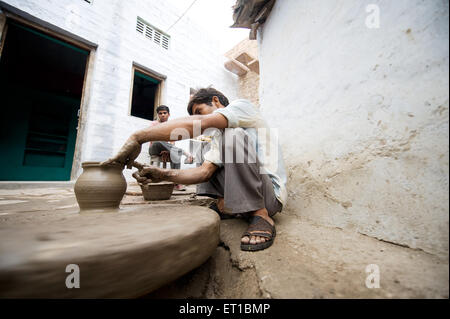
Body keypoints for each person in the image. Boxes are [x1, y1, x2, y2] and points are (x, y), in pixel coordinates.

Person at [102, 88, 287, 251]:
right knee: (203, 147)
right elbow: (203, 172)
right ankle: (226, 206)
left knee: (232, 134)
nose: (199, 117)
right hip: (244, 193)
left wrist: (138, 137)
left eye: (199, 111)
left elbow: (201, 123)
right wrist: (162, 174)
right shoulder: (217, 137)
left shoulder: (242, 107)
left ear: (215, 101)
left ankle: (260, 215)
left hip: (268, 197)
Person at [148, 105, 193, 191]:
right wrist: (165, 148)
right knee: (158, 141)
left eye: (165, 113)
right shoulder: (154, 124)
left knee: (175, 154)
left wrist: (167, 150)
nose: (163, 115)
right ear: (158, 115)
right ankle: (184, 152)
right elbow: (153, 138)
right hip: (154, 148)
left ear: (169, 114)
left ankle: (176, 182)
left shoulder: (171, 126)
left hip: (166, 149)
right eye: (160, 113)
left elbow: (172, 142)